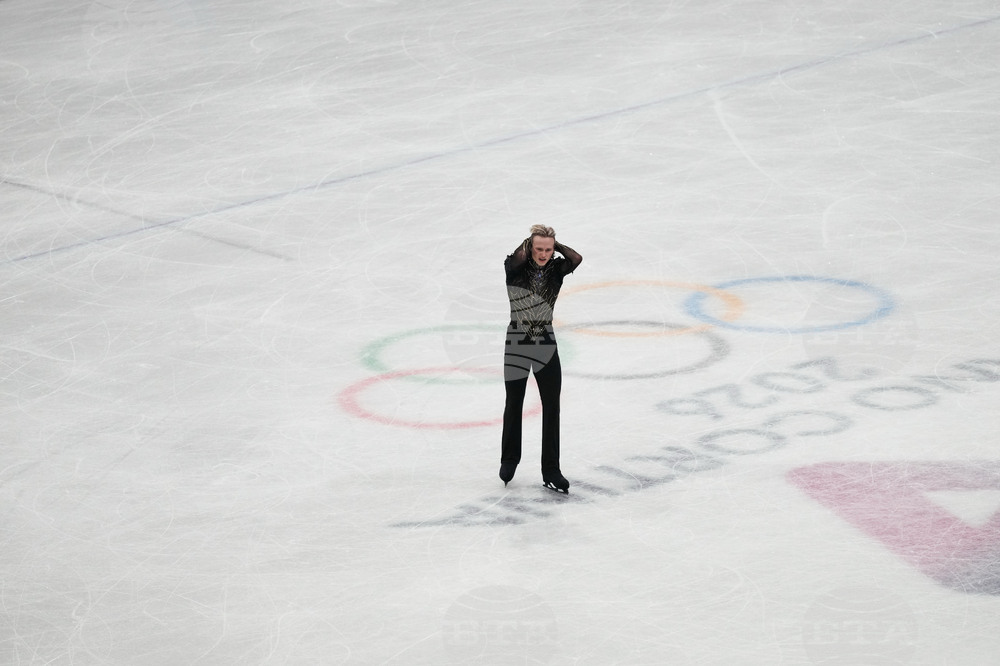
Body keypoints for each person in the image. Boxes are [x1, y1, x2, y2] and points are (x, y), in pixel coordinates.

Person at [500, 225, 583, 493]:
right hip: (517, 340)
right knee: (514, 402)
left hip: (545, 341)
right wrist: (530, 243)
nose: (544, 254)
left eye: (548, 249)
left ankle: (551, 471)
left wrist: (555, 245)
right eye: (539, 249)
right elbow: (518, 258)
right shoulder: (514, 268)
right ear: (529, 246)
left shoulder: (557, 269)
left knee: (552, 406)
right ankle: (509, 459)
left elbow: (576, 259)